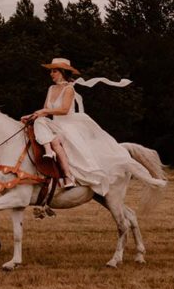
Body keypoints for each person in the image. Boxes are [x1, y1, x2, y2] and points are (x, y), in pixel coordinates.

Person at [21, 58, 135, 195]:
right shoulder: (51, 88)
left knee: (54, 138)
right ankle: (48, 150)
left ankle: (69, 176)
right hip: (55, 123)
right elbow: (45, 109)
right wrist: (32, 115)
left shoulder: (69, 89)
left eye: (54, 71)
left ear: (63, 72)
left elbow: (63, 110)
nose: (51, 73)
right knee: (39, 122)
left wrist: (44, 112)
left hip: (69, 124)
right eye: (51, 71)